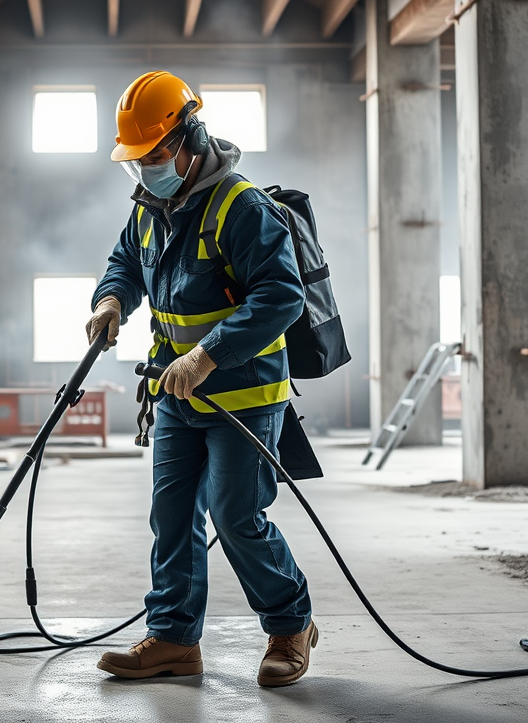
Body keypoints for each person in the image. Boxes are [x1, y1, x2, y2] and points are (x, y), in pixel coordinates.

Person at [85, 70, 318, 688]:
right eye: (136, 162)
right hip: (175, 393)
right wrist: (111, 301)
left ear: (190, 140)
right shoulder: (149, 209)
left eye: (156, 157)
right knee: (172, 514)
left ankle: (291, 626)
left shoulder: (239, 206)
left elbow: (281, 295)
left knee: (235, 515)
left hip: (241, 395)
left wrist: (208, 355)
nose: (146, 171)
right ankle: (172, 640)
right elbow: (123, 265)